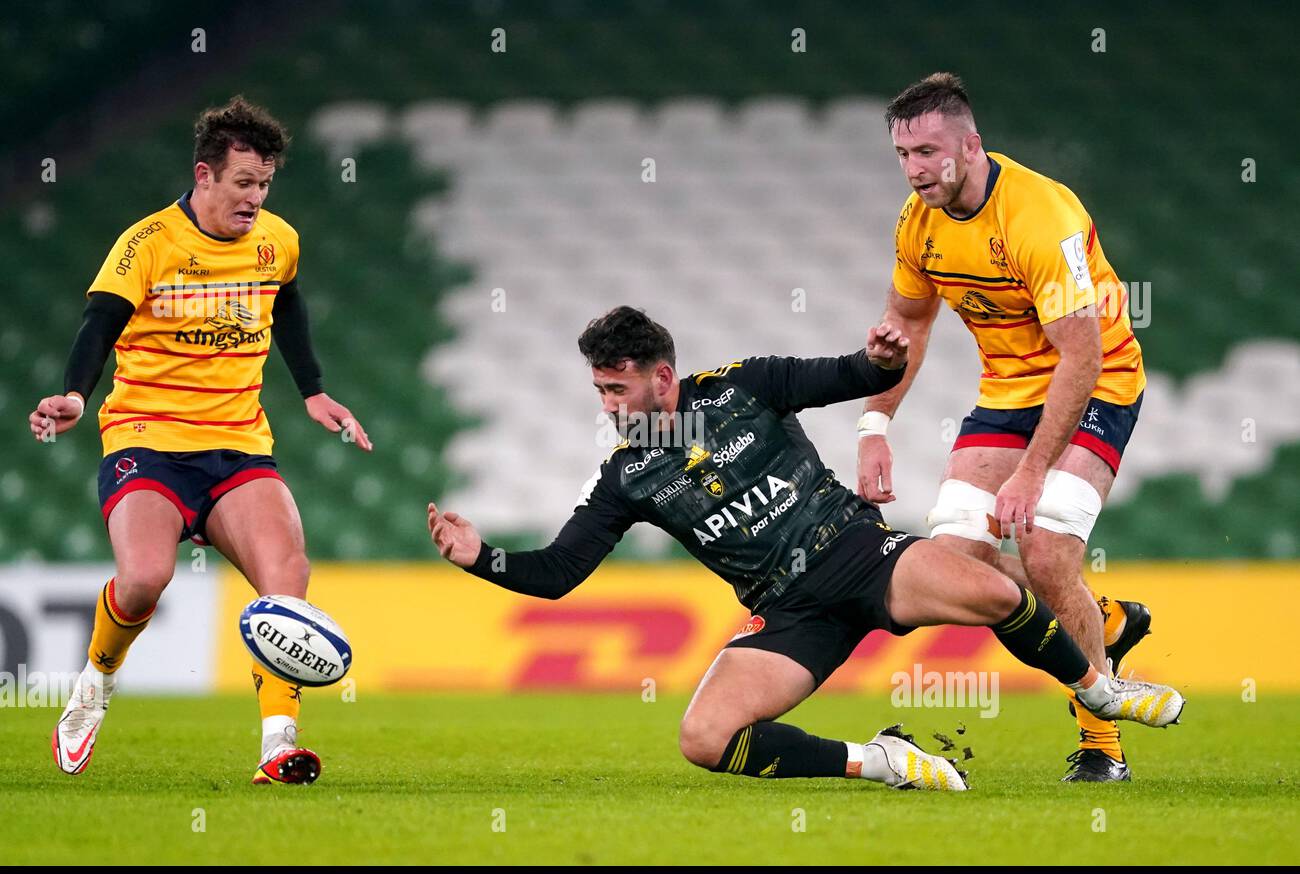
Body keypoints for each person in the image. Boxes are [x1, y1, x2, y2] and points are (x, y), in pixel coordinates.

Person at [429, 307, 1181, 791]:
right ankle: (879, 760)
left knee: (995, 592)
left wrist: (884, 360)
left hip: (857, 550)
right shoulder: (627, 476)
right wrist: (482, 558)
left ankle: (1100, 689)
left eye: (617, 389)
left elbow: (857, 375)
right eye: (599, 391)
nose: (609, 406)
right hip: (790, 611)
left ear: (663, 377)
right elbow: (560, 573)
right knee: (704, 737)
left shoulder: (745, 387)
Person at [30, 96, 372, 784]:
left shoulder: (277, 240)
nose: (255, 198)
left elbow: (289, 301)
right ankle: (92, 691)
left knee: (288, 578)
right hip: (148, 439)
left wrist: (311, 390)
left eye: (265, 184)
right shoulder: (147, 243)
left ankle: (278, 745)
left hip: (237, 443)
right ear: (205, 175)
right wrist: (73, 394)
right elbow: (99, 322)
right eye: (244, 183)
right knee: (145, 580)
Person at [856, 72, 1158, 782]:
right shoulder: (917, 223)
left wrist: (1029, 473)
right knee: (953, 568)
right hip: (1010, 389)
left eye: (928, 151)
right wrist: (874, 422)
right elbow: (907, 324)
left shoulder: (1039, 217)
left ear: (972, 144)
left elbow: (1081, 355)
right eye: (903, 154)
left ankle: (1101, 748)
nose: (915, 168)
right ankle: (1104, 622)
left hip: (1097, 381)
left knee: (1048, 554)